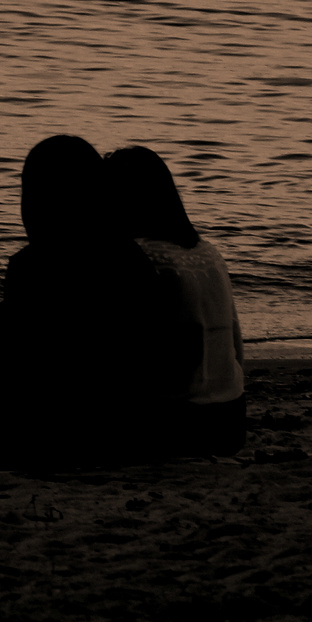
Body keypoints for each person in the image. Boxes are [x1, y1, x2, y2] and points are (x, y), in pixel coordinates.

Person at [0, 136, 199, 464]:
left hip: (53, 438)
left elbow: (16, 366)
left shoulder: (29, 266)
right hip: (127, 435)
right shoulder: (134, 261)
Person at [105, 145, 247, 455]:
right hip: (231, 415)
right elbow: (237, 346)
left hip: (183, 422)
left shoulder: (143, 259)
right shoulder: (209, 253)